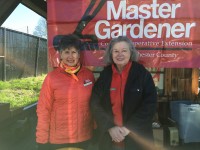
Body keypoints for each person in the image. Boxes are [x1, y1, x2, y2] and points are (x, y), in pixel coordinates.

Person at [90, 36, 157, 150]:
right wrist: (109, 127)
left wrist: (128, 128)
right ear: (111, 54)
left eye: (124, 51)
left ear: (131, 53)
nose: (119, 54)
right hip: (111, 138)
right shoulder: (105, 76)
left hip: (137, 138)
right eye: (116, 51)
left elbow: (150, 104)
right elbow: (95, 103)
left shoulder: (142, 75)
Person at [36, 34, 95, 150]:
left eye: (74, 52)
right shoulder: (51, 78)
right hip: (59, 139)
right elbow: (43, 109)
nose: (70, 56)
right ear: (60, 55)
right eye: (66, 52)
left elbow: (94, 104)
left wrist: (95, 128)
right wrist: (41, 138)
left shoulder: (89, 76)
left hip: (84, 136)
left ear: (79, 55)